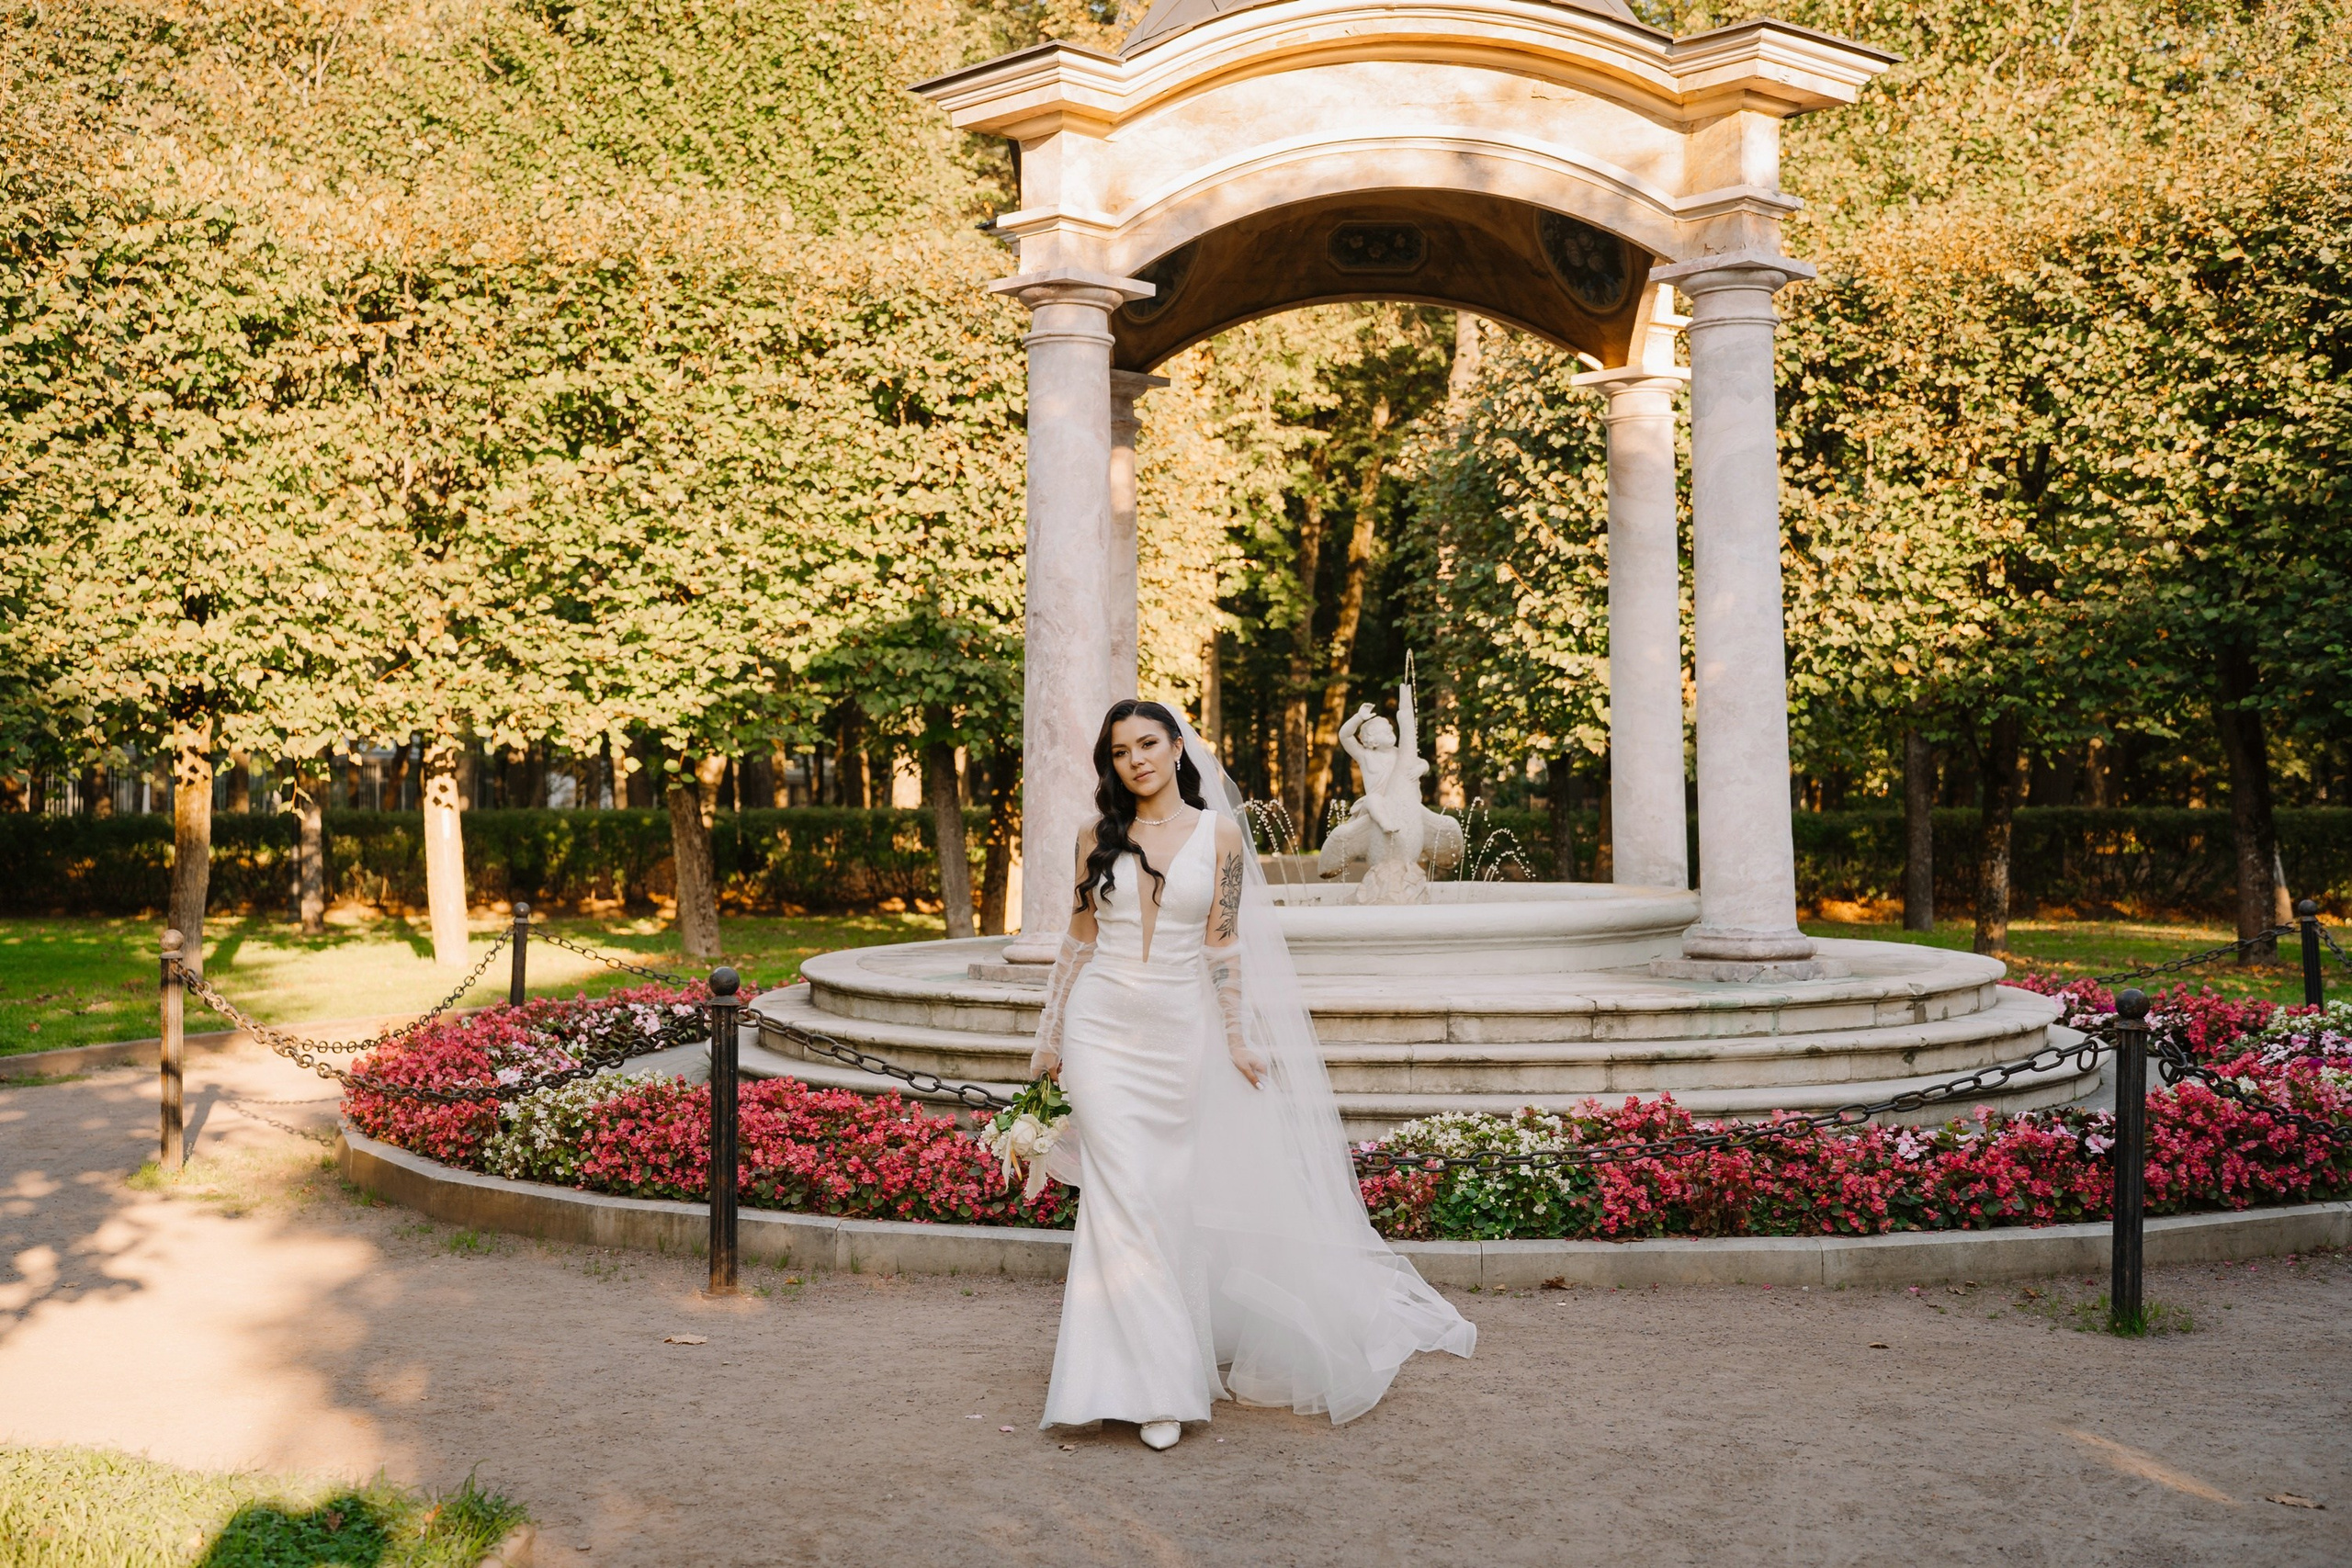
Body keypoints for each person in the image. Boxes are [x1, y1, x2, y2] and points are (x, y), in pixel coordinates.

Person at [1027, 698, 1475, 1450]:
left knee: (1162, 1200)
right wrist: (1048, 1037)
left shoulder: (1221, 835)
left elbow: (1224, 946)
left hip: (1178, 1033)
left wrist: (1236, 1037)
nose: (1136, 760)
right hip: (1100, 1028)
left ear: (1177, 747)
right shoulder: (1092, 835)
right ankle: (1150, 1387)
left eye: (1148, 743)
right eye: (1121, 751)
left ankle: (1134, 1375)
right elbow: (1077, 939)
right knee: (1120, 1194)